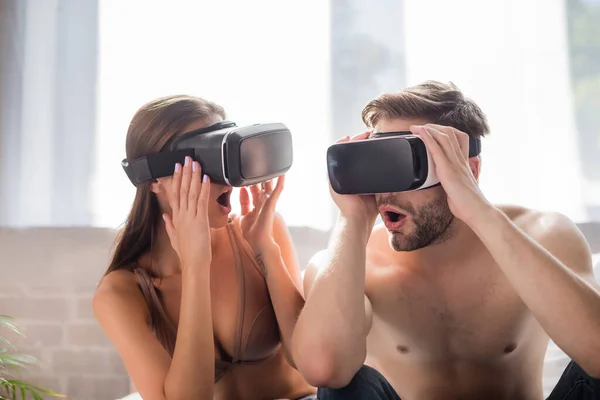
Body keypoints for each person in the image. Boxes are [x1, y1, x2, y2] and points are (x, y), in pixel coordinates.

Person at [291, 81, 600, 399]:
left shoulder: (544, 235)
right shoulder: (350, 263)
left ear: (468, 170)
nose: (387, 192)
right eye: (378, 167)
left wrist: (477, 209)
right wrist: (352, 220)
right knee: (348, 386)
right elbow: (324, 370)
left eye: (404, 166)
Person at [93, 95, 316, 400]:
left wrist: (266, 249)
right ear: (155, 180)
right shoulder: (120, 292)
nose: (226, 179)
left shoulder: (260, 230)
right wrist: (196, 265)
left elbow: (309, 362)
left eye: (225, 158)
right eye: (204, 163)